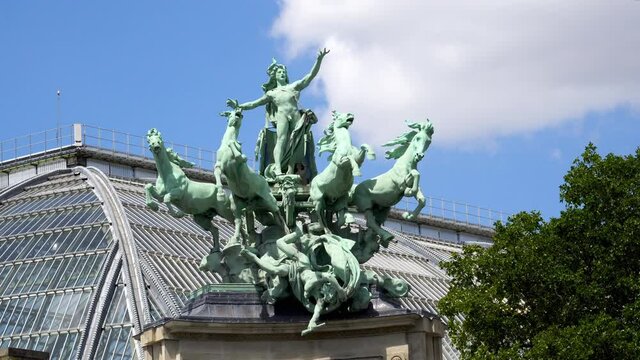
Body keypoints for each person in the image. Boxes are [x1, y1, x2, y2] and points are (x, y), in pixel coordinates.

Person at [227, 48, 330, 175]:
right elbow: (255, 103)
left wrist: (319, 60)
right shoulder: (272, 93)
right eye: (279, 72)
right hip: (282, 116)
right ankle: (278, 168)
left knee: (297, 142)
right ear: (275, 76)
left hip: (295, 115)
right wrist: (240, 106)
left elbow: (309, 77)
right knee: (281, 140)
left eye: (284, 72)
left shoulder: (293, 87)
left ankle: (291, 167)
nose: (282, 73)